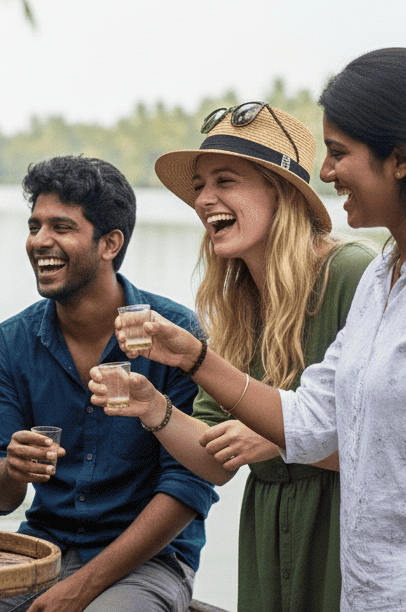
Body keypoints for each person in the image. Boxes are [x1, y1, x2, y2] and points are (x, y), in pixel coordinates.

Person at [99, 48, 406, 611]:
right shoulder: (387, 277)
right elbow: (314, 419)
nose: (325, 172)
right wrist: (191, 358)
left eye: (340, 153)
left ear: (400, 159)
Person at [92, 103, 375, 611]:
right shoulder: (236, 304)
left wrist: (282, 439)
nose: (204, 199)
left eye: (225, 180)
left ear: (282, 191)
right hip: (268, 531)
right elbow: (215, 462)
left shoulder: (354, 275)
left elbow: (396, 447)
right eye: (199, 186)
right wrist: (152, 405)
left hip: (348, 531)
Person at [0, 156, 217, 612]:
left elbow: (188, 488)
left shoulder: (174, 335)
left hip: (148, 562)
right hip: (41, 552)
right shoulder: (9, 344)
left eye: (61, 227)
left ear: (109, 243)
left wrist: (81, 588)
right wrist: (12, 470)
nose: (40, 241)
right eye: (34, 225)